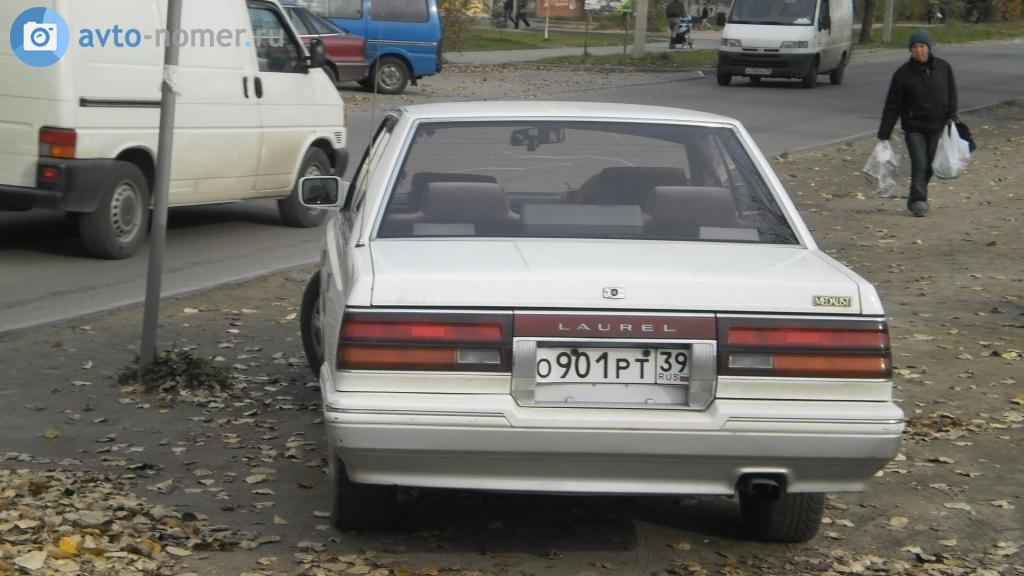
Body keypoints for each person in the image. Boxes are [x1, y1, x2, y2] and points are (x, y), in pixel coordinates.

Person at [877, 29, 958, 217]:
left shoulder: (943, 68)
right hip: (915, 128)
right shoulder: (903, 75)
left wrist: (952, 115)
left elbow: (952, 93)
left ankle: (916, 196)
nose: (918, 50)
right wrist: (884, 132)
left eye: (922, 46)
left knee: (930, 165)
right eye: (914, 47)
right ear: (910, 50)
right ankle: (918, 201)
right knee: (919, 163)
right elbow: (893, 104)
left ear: (929, 48)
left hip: (937, 126)